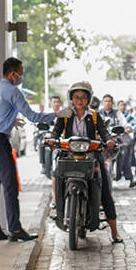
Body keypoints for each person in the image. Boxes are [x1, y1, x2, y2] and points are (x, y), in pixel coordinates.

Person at [0, 57, 63, 241]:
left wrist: (9, 120)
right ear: (12, 73)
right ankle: (15, 229)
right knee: (10, 185)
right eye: (21, 73)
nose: (21, 76)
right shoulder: (13, 91)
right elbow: (33, 116)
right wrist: (57, 115)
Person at [49, 82, 123, 243]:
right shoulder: (64, 114)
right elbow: (55, 131)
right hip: (68, 154)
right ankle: (56, 206)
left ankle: (114, 232)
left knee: (105, 191)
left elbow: (104, 133)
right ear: (71, 99)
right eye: (76, 97)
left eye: (83, 97)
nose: (80, 100)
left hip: (92, 156)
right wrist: (52, 138)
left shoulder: (95, 116)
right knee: (57, 175)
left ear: (88, 99)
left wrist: (109, 140)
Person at [99, 95, 136, 188]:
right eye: (105, 101)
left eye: (109, 101)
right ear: (102, 103)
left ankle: (129, 178)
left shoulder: (117, 113)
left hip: (116, 138)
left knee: (124, 152)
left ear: (112, 103)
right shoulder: (98, 114)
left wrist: (127, 128)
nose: (107, 103)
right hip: (102, 140)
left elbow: (125, 123)